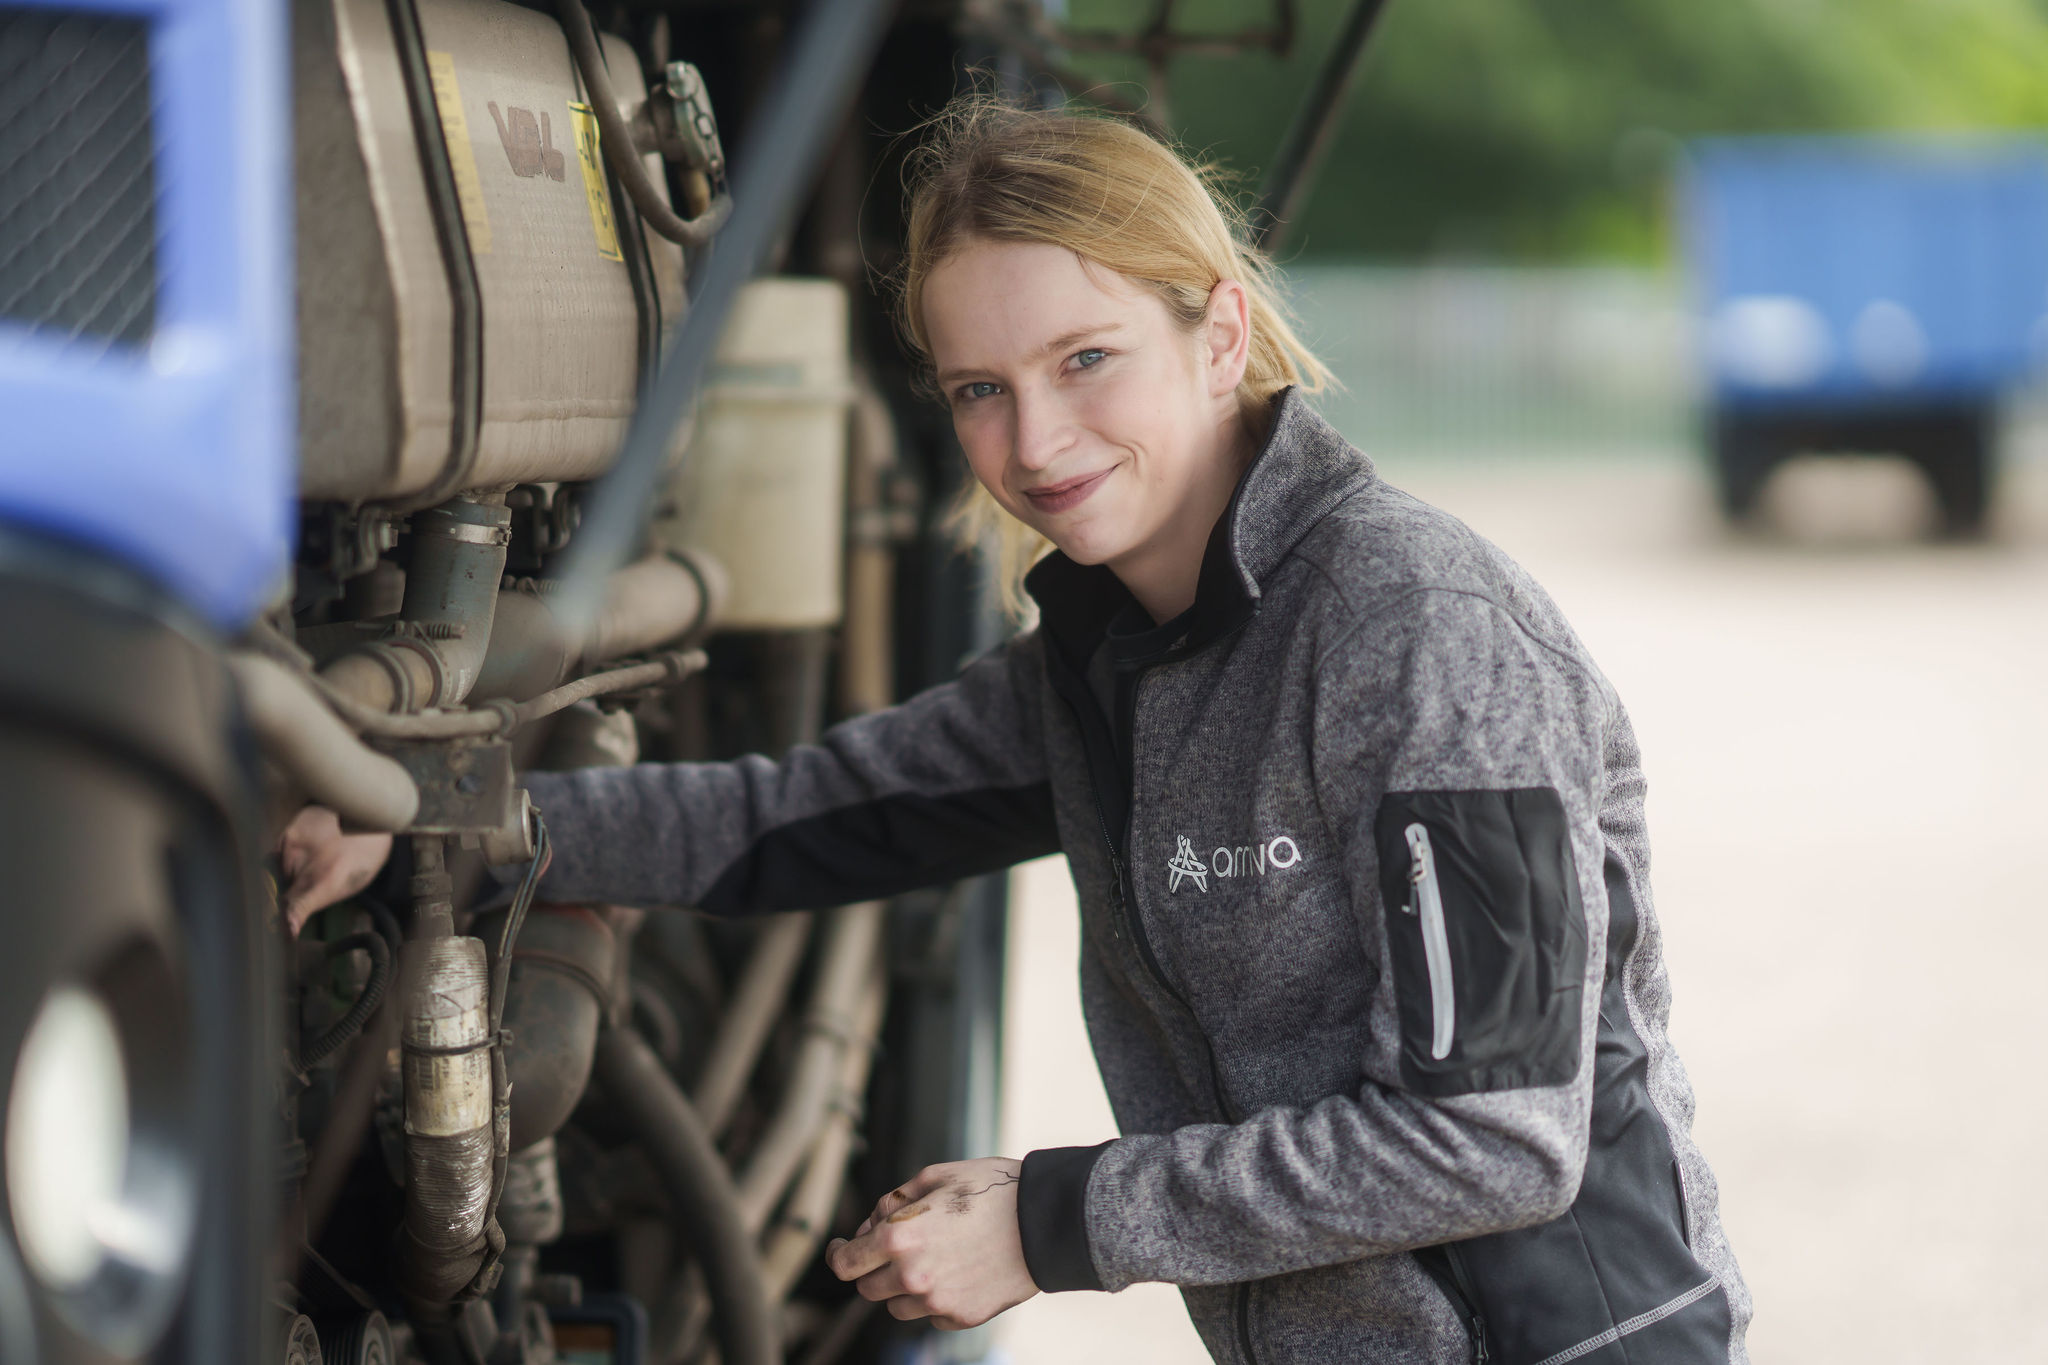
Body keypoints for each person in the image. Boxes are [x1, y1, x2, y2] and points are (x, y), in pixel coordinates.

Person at [284, 97, 1750, 1364]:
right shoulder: (1102, 656)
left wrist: (1050, 1222)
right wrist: (429, 825)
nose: (1034, 443)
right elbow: (793, 815)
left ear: (1219, 332)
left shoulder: (1419, 630)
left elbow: (1492, 1134)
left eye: (1085, 359)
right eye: (980, 391)